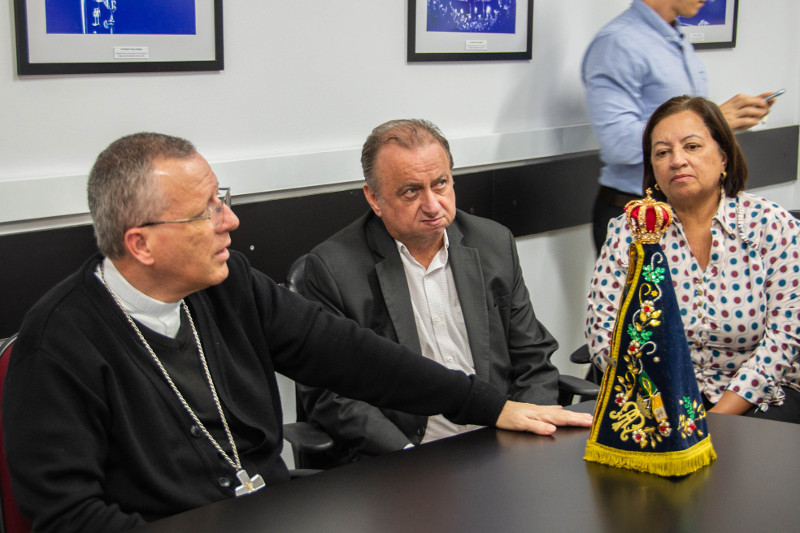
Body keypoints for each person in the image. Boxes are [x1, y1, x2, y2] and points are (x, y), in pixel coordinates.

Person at [1, 132, 592, 533]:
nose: (231, 221)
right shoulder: (57, 345)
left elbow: (350, 356)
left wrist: (491, 405)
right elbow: (69, 518)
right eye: (207, 211)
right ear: (141, 244)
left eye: (222, 200)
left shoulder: (228, 285)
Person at [297, 118, 561, 466]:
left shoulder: (494, 243)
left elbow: (533, 356)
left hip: (499, 441)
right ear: (374, 198)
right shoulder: (333, 269)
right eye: (411, 191)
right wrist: (408, 459)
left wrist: (530, 433)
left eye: (441, 184)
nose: (433, 205)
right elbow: (331, 395)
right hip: (407, 457)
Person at [586, 95, 800, 423]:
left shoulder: (770, 224)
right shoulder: (629, 231)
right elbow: (603, 332)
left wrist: (714, 419)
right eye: (662, 152)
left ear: (723, 157)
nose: (677, 161)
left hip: (757, 400)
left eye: (692, 146)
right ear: (653, 169)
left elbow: (783, 341)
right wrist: (659, 406)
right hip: (653, 402)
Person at [582, 0, 777, 254]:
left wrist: (719, 126)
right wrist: (714, 120)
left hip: (688, 211)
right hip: (639, 215)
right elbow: (617, 142)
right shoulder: (618, 42)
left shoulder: (675, 37)